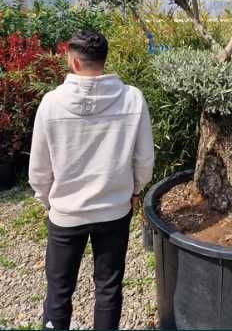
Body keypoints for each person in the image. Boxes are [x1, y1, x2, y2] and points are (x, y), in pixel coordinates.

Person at [29, 30, 155, 331]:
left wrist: (47, 200)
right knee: (108, 288)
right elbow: (145, 159)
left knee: (59, 290)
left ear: (73, 61)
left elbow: (39, 168)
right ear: (104, 59)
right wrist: (134, 190)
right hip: (114, 208)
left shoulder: (51, 103)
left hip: (66, 213)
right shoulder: (132, 98)